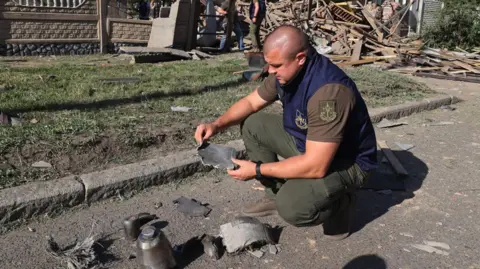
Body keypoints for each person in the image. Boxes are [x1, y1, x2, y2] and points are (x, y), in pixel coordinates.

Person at [194, 25, 377, 239]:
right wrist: (217, 124)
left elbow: (316, 166)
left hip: (347, 162)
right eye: (269, 64)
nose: (270, 70)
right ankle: (274, 194)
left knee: (293, 208)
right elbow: (251, 103)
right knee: (254, 123)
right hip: (309, 145)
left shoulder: (328, 93)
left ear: (300, 58)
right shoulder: (286, 72)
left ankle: (341, 204)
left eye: (276, 65)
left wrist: (258, 170)